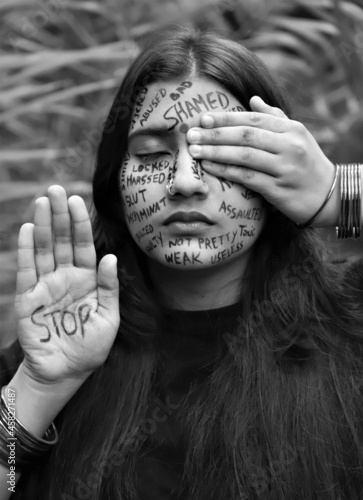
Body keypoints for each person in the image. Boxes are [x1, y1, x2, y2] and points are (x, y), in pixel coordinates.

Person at [0, 26, 362, 500]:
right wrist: (40, 388)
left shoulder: (351, 319)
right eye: (152, 154)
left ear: (284, 170)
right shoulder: (57, 348)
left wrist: (342, 193)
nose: (186, 180)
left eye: (223, 155)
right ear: (115, 182)